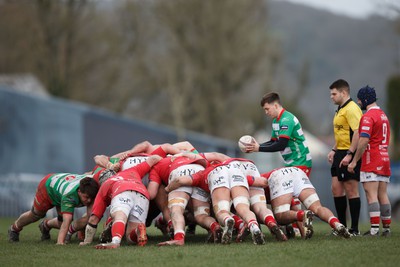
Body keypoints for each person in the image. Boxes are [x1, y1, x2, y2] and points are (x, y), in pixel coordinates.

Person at [243, 92, 312, 237]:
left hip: (301, 161)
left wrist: (258, 148)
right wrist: (258, 145)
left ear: (276, 105)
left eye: (267, 109)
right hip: (291, 164)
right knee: (292, 197)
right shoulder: (276, 121)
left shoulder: (286, 119)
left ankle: (303, 229)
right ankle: (299, 227)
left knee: (294, 196)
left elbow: (281, 144)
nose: (266, 112)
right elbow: (273, 142)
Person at [80, 155, 163, 249]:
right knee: (130, 237)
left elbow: (93, 219)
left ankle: (115, 242)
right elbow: (154, 159)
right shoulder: (131, 170)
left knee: (120, 216)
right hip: (143, 194)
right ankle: (137, 231)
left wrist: (86, 241)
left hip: (122, 190)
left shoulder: (105, 186)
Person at [254, 167, 351, 239]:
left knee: (280, 216)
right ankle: (337, 224)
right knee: (317, 208)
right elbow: (294, 205)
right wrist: (304, 234)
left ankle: (303, 215)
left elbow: (257, 213)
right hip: (297, 172)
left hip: (280, 176)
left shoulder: (251, 191)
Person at [348, 86, 392, 237]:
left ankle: (374, 230)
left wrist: (354, 161)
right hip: (385, 157)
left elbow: (364, 140)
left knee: (370, 194)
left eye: (359, 99)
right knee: (383, 194)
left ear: (365, 99)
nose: (358, 102)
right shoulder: (383, 115)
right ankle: (386, 229)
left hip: (372, 158)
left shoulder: (368, 116)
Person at [8, 174, 99, 244]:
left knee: (61, 223)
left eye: (91, 197)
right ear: (79, 191)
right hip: (47, 188)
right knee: (36, 215)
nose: (89, 200)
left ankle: (46, 225)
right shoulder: (70, 195)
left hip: (59, 188)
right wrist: (60, 242)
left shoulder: (92, 184)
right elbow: (67, 220)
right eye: (86, 197)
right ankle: (14, 228)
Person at [327, 79, 362, 236]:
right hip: (339, 153)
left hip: (349, 153)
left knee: (351, 189)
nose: (331, 97)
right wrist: (334, 149)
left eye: (334, 94)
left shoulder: (352, 109)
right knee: (336, 189)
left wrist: (349, 154)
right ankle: (341, 227)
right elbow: (342, 133)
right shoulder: (340, 109)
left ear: (344, 93)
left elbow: (357, 133)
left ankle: (354, 229)